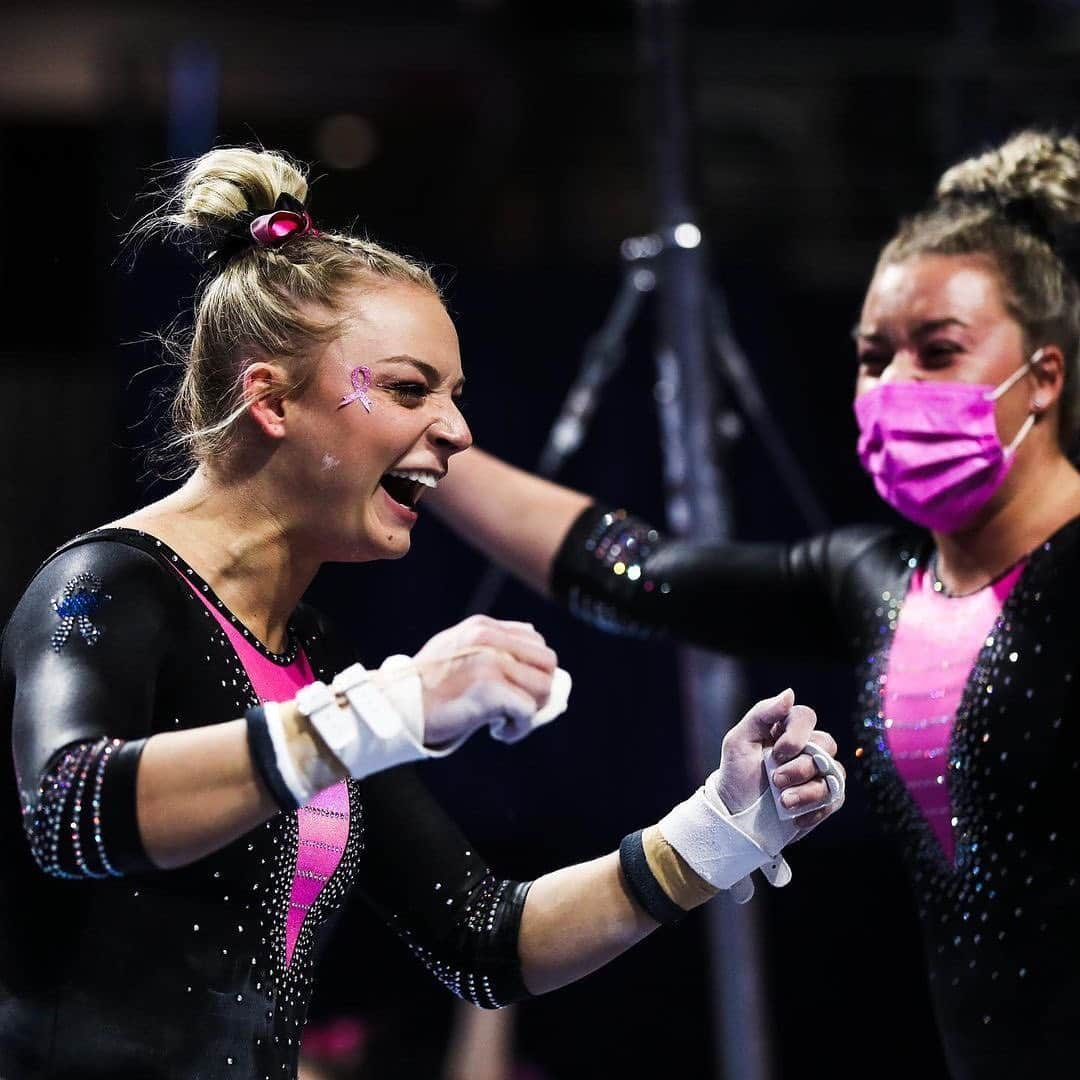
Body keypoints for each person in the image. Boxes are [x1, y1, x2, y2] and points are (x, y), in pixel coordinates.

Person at [0, 147, 844, 1080]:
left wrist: (721, 830)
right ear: (270, 398)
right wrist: (385, 712)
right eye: (409, 389)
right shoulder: (106, 585)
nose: (457, 430)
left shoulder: (310, 655)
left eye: (453, 394)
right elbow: (71, 809)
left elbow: (483, 941)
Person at [425, 128, 1080, 1080]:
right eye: (872, 356)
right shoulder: (876, 581)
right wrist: (416, 444)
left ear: (1046, 377)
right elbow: (635, 572)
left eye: (938, 352)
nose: (896, 385)